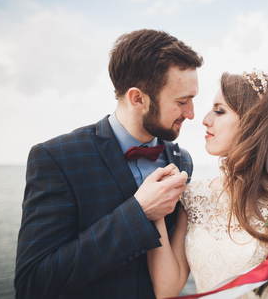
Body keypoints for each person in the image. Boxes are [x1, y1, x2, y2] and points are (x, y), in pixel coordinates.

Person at [14, 29, 203, 299]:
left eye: (192, 99)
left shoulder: (182, 160)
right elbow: (33, 284)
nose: (191, 114)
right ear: (137, 98)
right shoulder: (56, 157)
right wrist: (138, 212)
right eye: (182, 102)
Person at [147, 70, 268, 298]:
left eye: (219, 111)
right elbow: (166, 290)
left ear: (254, 123)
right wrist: (156, 212)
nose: (205, 119)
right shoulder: (193, 195)